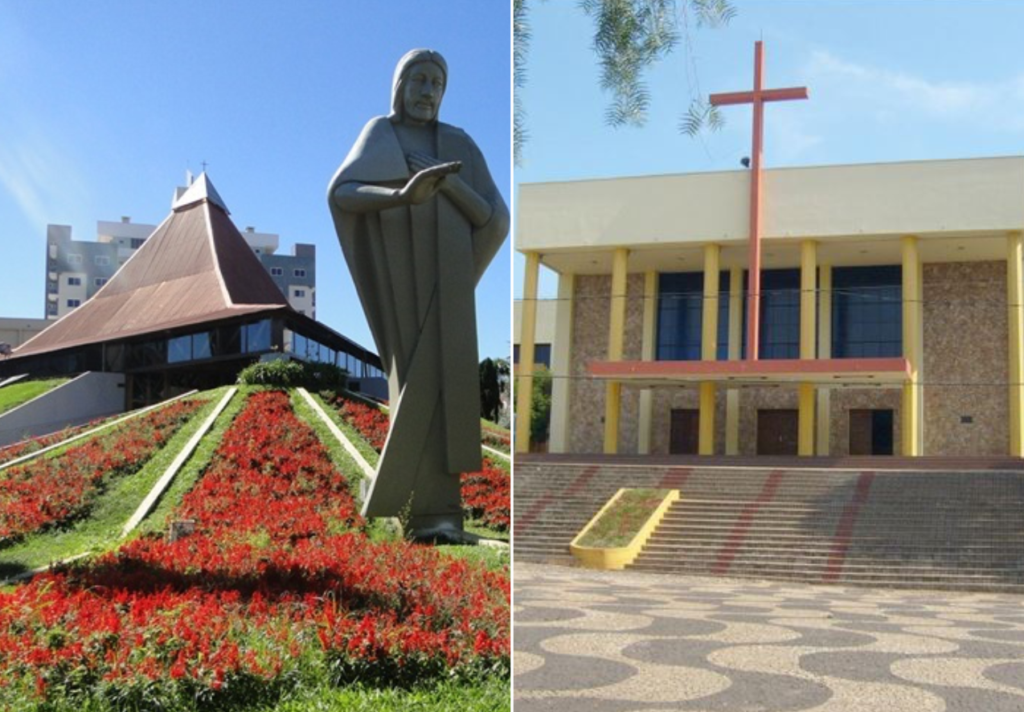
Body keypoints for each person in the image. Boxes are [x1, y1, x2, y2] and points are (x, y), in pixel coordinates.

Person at [327, 49, 509, 540]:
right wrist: (402, 195)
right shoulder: (380, 133)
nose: (428, 92)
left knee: (445, 388)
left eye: (437, 83)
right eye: (420, 80)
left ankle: (439, 514)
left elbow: (496, 217)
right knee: (410, 381)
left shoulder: (459, 143)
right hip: (397, 283)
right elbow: (343, 192)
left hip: (446, 281)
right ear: (400, 85)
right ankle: (409, 512)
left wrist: (446, 186)